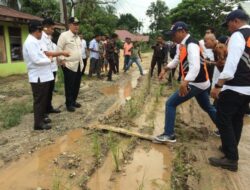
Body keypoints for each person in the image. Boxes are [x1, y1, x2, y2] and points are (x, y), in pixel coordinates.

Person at [154, 21, 217, 143]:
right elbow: (176, 59)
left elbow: (195, 67)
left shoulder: (191, 44)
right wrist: (165, 69)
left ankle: (169, 134)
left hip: (196, 83)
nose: (172, 37)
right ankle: (223, 127)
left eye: (174, 34)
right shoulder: (181, 45)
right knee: (208, 107)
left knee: (170, 103)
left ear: (182, 32)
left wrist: (185, 83)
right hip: (202, 83)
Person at [209, 9, 250, 172]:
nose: (228, 28)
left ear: (235, 21)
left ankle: (231, 158)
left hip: (234, 86)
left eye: (228, 24)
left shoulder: (238, 36)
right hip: (247, 88)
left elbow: (231, 64)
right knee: (237, 120)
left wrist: (218, 85)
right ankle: (229, 148)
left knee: (223, 119)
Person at [22, 20, 53, 130]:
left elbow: (41, 55)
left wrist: (47, 59)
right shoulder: (30, 42)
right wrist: (49, 60)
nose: (42, 34)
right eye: (40, 31)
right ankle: (38, 124)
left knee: (43, 99)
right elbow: (36, 60)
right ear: (36, 30)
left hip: (43, 76)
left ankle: (41, 118)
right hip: (38, 77)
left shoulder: (35, 41)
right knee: (39, 101)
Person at [57, 17, 83, 112]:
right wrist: (62, 60)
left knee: (76, 84)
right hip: (69, 65)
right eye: (74, 24)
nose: (77, 26)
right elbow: (59, 48)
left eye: (77, 24)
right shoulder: (64, 35)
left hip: (78, 64)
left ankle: (73, 101)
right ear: (69, 25)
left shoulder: (77, 37)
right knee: (69, 85)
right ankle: (69, 104)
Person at [40, 18, 63, 117]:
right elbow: (46, 53)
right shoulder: (41, 38)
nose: (53, 31)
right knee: (44, 92)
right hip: (45, 68)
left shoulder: (48, 38)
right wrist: (61, 53)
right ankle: (43, 112)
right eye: (52, 29)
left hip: (52, 68)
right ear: (46, 27)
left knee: (50, 90)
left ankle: (49, 107)